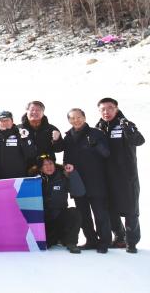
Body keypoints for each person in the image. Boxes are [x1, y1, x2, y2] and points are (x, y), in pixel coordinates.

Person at [57, 108, 111, 253]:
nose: (76, 120)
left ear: (84, 117)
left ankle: (104, 242)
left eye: (79, 117)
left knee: (100, 214)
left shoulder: (96, 133)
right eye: (72, 118)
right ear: (69, 120)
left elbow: (107, 154)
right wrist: (67, 168)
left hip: (96, 181)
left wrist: (97, 145)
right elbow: (66, 158)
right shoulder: (68, 137)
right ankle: (91, 240)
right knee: (84, 214)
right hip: (77, 181)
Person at [95, 97, 144, 253]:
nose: (106, 112)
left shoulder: (125, 124)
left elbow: (139, 140)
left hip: (126, 176)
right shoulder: (98, 127)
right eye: (103, 109)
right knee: (111, 209)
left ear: (116, 109)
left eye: (110, 108)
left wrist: (129, 129)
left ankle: (132, 242)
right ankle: (120, 237)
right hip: (106, 176)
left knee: (130, 209)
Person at [39, 154, 84, 254]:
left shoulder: (63, 177)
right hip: (46, 220)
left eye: (50, 163)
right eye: (45, 165)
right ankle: (55, 239)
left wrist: (72, 174)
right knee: (47, 244)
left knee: (74, 213)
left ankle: (71, 242)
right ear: (41, 168)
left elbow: (79, 192)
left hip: (60, 217)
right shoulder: (36, 180)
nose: (48, 167)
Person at [0, 111, 36, 179]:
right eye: (1, 121)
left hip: (18, 177)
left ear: (12, 121)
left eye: (7, 120)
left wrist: (25, 139)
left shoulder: (21, 134)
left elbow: (31, 154)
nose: (4, 123)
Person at [20, 100, 63, 166]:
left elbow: (59, 149)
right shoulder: (18, 129)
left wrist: (56, 141)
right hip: (24, 167)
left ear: (43, 113)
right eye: (32, 110)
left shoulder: (51, 129)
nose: (35, 112)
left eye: (38, 110)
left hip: (46, 167)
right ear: (27, 112)